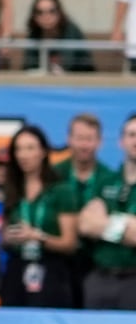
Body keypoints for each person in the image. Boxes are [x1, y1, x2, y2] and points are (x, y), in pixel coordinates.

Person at [0, 124, 73, 308]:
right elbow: (4, 234)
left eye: (30, 148)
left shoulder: (60, 190)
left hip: (51, 270)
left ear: (43, 152)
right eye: (19, 149)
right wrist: (7, 238)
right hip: (17, 268)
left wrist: (38, 237)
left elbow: (69, 243)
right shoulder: (12, 190)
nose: (23, 155)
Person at [48, 112, 114, 310]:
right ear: (69, 140)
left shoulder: (110, 178)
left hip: (95, 263)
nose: (84, 145)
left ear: (99, 142)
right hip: (58, 262)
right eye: (79, 138)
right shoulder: (53, 175)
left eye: (89, 139)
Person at [74, 113, 136, 311]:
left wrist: (104, 223)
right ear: (121, 141)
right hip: (100, 278)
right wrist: (126, 224)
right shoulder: (106, 179)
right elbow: (85, 224)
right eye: (131, 134)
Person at [22, 0, 93, 74]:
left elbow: (73, 65)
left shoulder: (71, 31)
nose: (46, 16)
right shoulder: (33, 35)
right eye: (39, 12)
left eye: (51, 11)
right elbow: (28, 67)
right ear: (34, 16)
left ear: (59, 12)